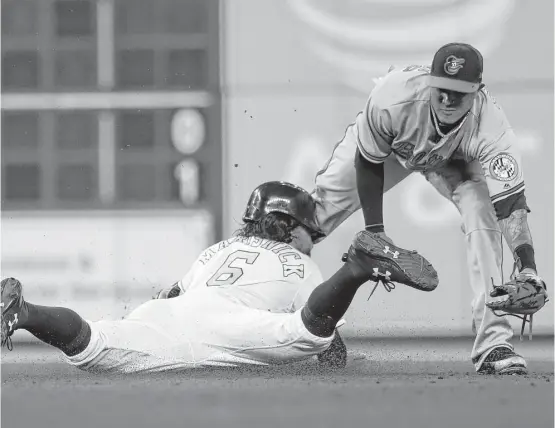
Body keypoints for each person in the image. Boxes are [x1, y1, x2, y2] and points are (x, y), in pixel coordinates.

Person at [0, 181, 433, 374]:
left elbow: (172, 293)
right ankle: (357, 268)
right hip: (233, 326)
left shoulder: (218, 249)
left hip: (167, 316)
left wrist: (143, 324)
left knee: (93, 343)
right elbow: (327, 339)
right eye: (309, 231)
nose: (312, 239)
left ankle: (25, 310)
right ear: (287, 225)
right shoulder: (299, 263)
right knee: (304, 334)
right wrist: (332, 361)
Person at [310, 42, 547, 375]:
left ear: (477, 91)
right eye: (442, 90)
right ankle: (296, 321)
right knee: (317, 216)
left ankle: (493, 344)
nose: (448, 99)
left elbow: (510, 206)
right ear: (431, 81)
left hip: (454, 162)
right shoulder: (393, 96)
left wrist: (528, 266)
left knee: (484, 213)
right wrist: (375, 232)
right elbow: (368, 160)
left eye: (458, 93)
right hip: (391, 148)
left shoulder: (492, 129)